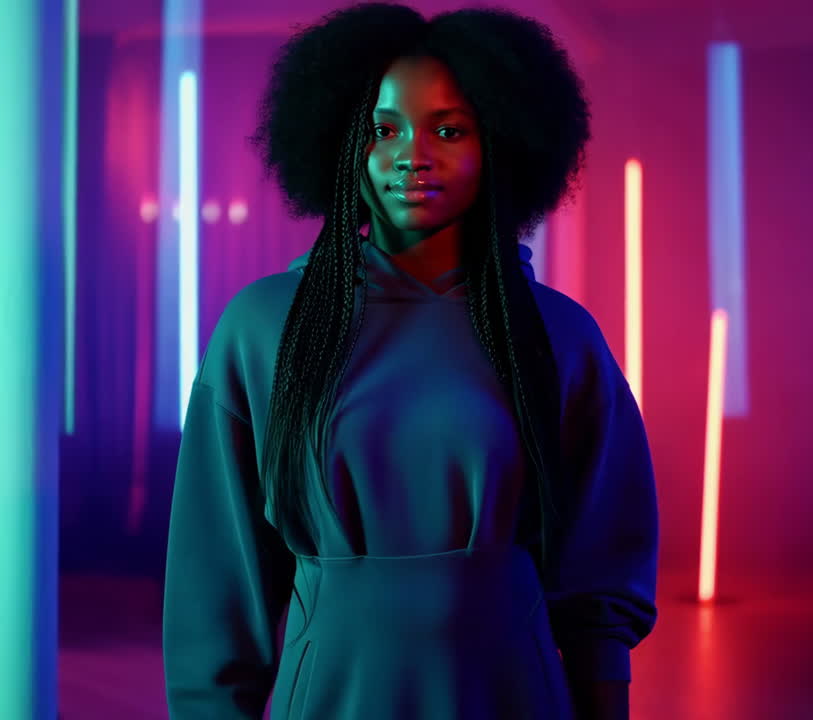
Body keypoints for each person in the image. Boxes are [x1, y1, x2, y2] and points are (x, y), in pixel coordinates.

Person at [162, 3, 658, 719]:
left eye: (448, 130)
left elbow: (600, 573)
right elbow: (215, 585)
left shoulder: (561, 335)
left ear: (502, 141)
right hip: (334, 696)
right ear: (340, 140)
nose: (412, 155)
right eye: (382, 129)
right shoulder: (263, 327)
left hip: (512, 695)